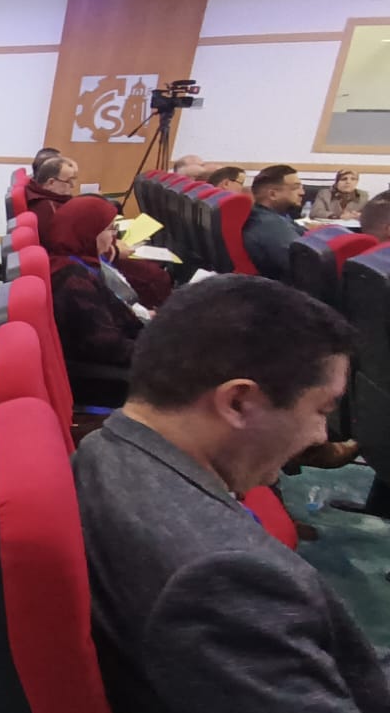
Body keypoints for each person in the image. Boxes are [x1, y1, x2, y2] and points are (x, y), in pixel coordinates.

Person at [71, 274, 390, 713]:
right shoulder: (225, 579)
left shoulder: (103, 449)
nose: (321, 435)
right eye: (321, 410)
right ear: (238, 402)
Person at [47, 195, 148, 403]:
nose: (114, 237)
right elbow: (106, 346)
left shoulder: (76, 263)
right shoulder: (72, 280)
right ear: (89, 231)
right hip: (102, 377)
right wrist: (161, 350)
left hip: (108, 361)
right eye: (110, 229)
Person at [243, 164, 305, 281]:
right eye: (295, 188)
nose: (302, 192)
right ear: (273, 194)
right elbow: (305, 268)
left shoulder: (270, 216)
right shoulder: (270, 225)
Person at [27, 155, 77, 243]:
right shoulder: (46, 207)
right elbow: (59, 242)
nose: (73, 185)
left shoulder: (50, 198)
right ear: (51, 182)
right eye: (69, 181)